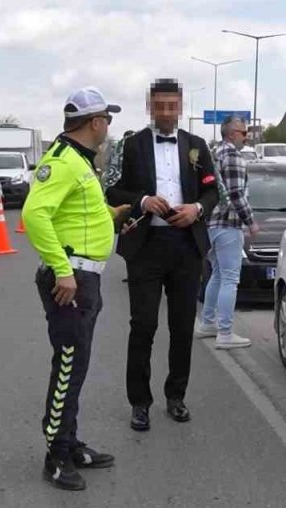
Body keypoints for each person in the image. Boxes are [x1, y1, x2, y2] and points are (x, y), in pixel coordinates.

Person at [22, 86, 130, 491]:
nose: (108, 127)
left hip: (86, 279)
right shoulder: (64, 161)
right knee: (67, 367)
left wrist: (113, 215)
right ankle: (56, 455)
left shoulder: (83, 162)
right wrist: (61, 270)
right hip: (71, 282)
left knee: (77, 366)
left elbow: (79, 212)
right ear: (95, 122)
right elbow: (36, 215)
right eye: (108, 120)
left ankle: (70, 441)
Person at [105, 79, 219, 432]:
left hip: (186, 246)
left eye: (172, 106)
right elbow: (112, 187)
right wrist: (142, 201)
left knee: (182, 325)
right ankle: (140, 402)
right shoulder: (131, 144)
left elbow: (214, 191)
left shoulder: (197, 145)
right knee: (144, 325)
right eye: (160, 106)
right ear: (150, 107)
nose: (166, 112)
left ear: (180, 107)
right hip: (147, 246)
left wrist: (197, 209)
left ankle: (176, 396)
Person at [196, 115, 258, 349]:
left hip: (211, 224)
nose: (246, 136)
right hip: (227, 224)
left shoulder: (215, 153)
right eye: (243, 132)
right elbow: (236, 194)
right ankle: (225, 332)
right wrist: (250, 221)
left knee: (218, 275)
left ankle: (208, 323)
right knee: (231, 278)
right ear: (232, 133)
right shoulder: (232, 156)